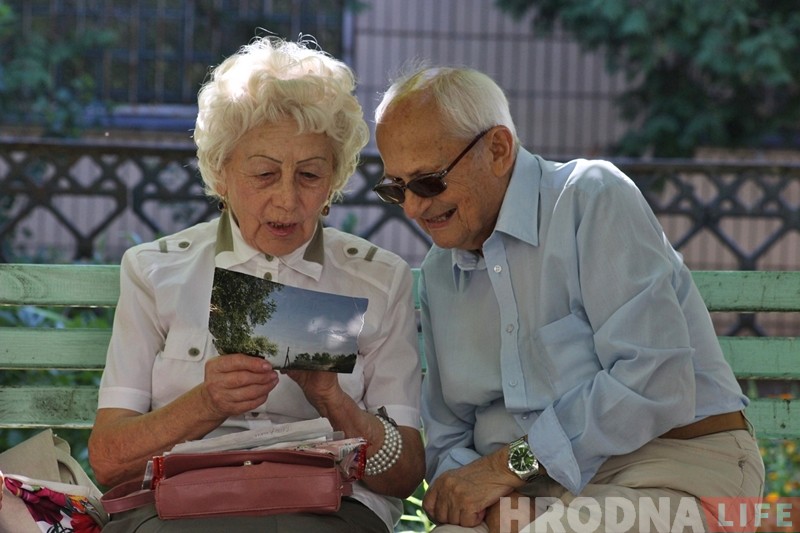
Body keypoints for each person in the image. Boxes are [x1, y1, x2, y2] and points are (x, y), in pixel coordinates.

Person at [372, 65, 765, 533]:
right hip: (532, 497)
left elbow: (655, 379)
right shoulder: (441, 271)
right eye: (396, 188)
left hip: (672, 469)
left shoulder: (591, 198)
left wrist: (504, 470)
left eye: (428, 181)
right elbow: (447, 435)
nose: (413, 208)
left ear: (497, 149)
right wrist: (493, 498)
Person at [88, 36, 425, 533]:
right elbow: (109, 461)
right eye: (264, 174)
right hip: (182, 507)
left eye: (309, 175)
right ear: (220, 173)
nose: (287, 201)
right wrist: (206, 403)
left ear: (334, 180)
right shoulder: (156, 270)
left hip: (324, 510)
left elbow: (404, 475)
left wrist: (332, 399)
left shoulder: (379, 278)